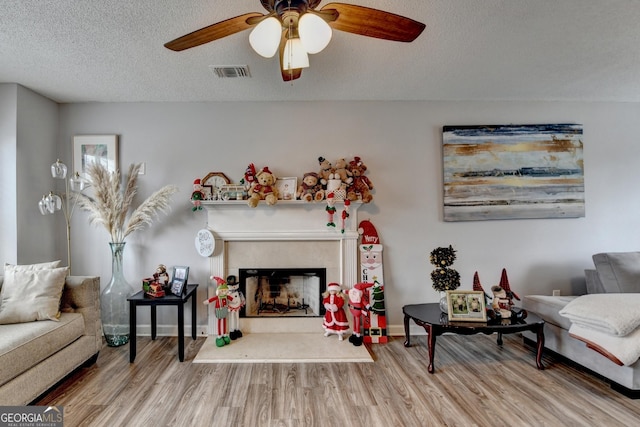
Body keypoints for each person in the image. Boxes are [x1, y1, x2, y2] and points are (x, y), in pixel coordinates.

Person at [204, 276, 234, 347]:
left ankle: (224, 334)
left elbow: (232, 299)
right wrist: (207, 301)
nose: (223, 292)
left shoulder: (226, 297)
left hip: (225, 310)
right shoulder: (218, 297)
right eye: (222, 290)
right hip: (219, 310)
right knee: (219, 322)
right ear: (218, 290)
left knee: (224, 321)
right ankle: (219, 336)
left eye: (224, 290)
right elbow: (212, 299)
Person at [346, 282, 373, 346]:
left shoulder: (360, 297)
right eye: (354, 291)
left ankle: (357, 335)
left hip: (357, 312)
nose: (354, 293)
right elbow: (347, 291)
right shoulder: (351, 293)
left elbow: (364, 302)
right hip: (352, 311)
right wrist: (341, 290)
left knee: (357, 323)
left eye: (356, 291)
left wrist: (369, 307)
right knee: (354, 322)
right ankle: (354, 333)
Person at [226, 275, 246, 340]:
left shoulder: (238, 291)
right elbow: (226, 299)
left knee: (237, 318)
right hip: (231, 307)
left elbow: (241, 296)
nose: (233, 286)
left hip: (237, 307)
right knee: (232, 318)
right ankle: (232, 331)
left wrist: (243, 301)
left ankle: (237, 329)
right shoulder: (228, 292)